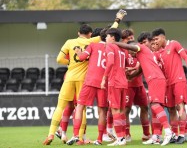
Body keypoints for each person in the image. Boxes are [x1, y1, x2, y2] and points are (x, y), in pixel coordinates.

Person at [43, 10, 127, 146]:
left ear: (78, 33)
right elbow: (112, 33)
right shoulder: (107, 46)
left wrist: (74, 57)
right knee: (101, 111)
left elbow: (64, 58)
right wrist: (117, 20)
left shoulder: (79, 43)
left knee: (72, 107)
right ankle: (98, 138)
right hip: (98, 81)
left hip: (78, 79)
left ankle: (63, 134)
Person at [114, 39, 174, 146]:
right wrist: (129, 75)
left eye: (130, 52)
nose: (131, 55)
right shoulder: (143, 56)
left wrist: (113, 43)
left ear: (134, 48)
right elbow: (139, 71)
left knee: (155, 105)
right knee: (154, 107)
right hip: (155, 80)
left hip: (155, 78)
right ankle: (156, 136)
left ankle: (168, 131)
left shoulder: (140, 48)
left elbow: (132, 47)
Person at [151, 28, 187, 144]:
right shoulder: (158, 53)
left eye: (157, 39)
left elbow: (186, 56)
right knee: (171, 109)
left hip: (179, 80)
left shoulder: (174, 44)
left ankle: (183, 134)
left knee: (180, 107)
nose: (155, 41)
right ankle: (175, 134)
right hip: (168, 84)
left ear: (163, 37)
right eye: (153, 40)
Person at [66, 28, 109, 145]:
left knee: (79, 106)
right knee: (102, 111)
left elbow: (81, 57)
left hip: (90, 81)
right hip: (103, 83)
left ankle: (76, 135)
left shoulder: (93, 45)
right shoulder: (112, 48)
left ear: (99, 36)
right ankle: (100, 138)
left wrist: (78, 51)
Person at [121, 29, 151, 142]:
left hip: (139, 85)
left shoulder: (139, 52)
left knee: (145, 107)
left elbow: (141, 67)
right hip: (128, 86)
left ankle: (146, 134)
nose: (131, 39)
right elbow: (120, 68)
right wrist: (126, 71)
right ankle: (126, 134)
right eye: (129, 38)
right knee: (126, 110)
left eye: (132, 37)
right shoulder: (123, 52)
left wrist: (133, 71)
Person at [100, 28, 129, 146]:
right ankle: (122, 137)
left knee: (115, 110)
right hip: (123, 82)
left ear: (112, 37)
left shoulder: (110, 47)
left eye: (107, 36)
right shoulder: (122, 50)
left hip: (115, 82)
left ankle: (120, 138)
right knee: (121, 111)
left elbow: (111, 62)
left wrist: (104, 78)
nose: (105, 38)